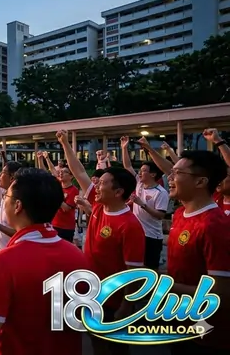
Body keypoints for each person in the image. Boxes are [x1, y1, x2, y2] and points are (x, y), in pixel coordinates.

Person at [0, 168, 87, 354]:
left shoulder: (4, 261)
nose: (4, 201)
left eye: (6, 196)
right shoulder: (77, 255)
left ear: (17, 206)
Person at [58, 130, 145, 355]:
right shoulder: (98, 207)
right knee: (96, 342)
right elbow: (78, 170)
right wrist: (65, 143)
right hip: (91, 294)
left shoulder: (130, 225)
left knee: (114, 348)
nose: (96, 185)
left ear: (118, 192)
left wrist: (125, 307)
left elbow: (134, 274)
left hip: (114, 301)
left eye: (103, 183)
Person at [139, 141, 230, 354]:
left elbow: (221, 294)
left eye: (177, 173)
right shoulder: (180, 215)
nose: (169, 178)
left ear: (201, 182)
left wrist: (160, 284)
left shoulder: (215, 226)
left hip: (206, 334)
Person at [120, 136, 170, 270]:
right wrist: (124, 148)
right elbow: (128, 166)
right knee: (135, 265)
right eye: (140, 171)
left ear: (153, 175)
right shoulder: (139, 184)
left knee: (150, 268)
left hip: (152, 236)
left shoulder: (160, 193)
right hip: (137, 233)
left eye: (143, 171)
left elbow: (160, 215)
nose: (140, 173)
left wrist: (141, 204)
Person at [50, 165, 79, 243]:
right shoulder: (58, 186)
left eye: (64, 172)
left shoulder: (74, 190)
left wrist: (56, 195)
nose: (61, 173)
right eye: (60, 172)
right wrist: (43, 158)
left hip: (66, 227)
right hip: (54, 224)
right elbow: (52, 170)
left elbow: (66, 208)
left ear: (71, 176)